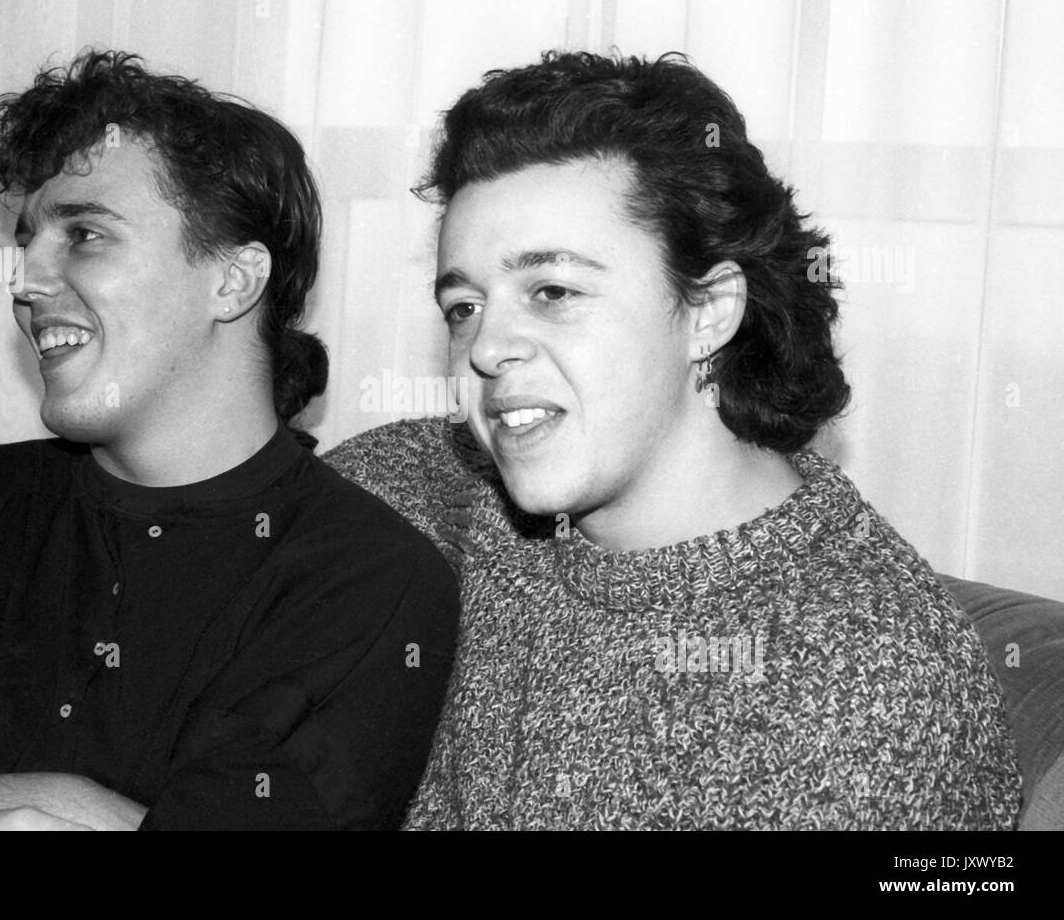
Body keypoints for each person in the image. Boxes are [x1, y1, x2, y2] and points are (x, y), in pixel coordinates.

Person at [323, 51, 1021, 829]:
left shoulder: (870, 681)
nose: (487, 348)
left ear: (709, 311)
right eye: (464, 306)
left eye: (552, 292)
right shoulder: (433, 495)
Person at [0, 50, 458, 831]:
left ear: (232, 280)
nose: (25, 282)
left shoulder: (368, 578)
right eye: (25, 242)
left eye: (84, 234)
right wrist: (55, 806)